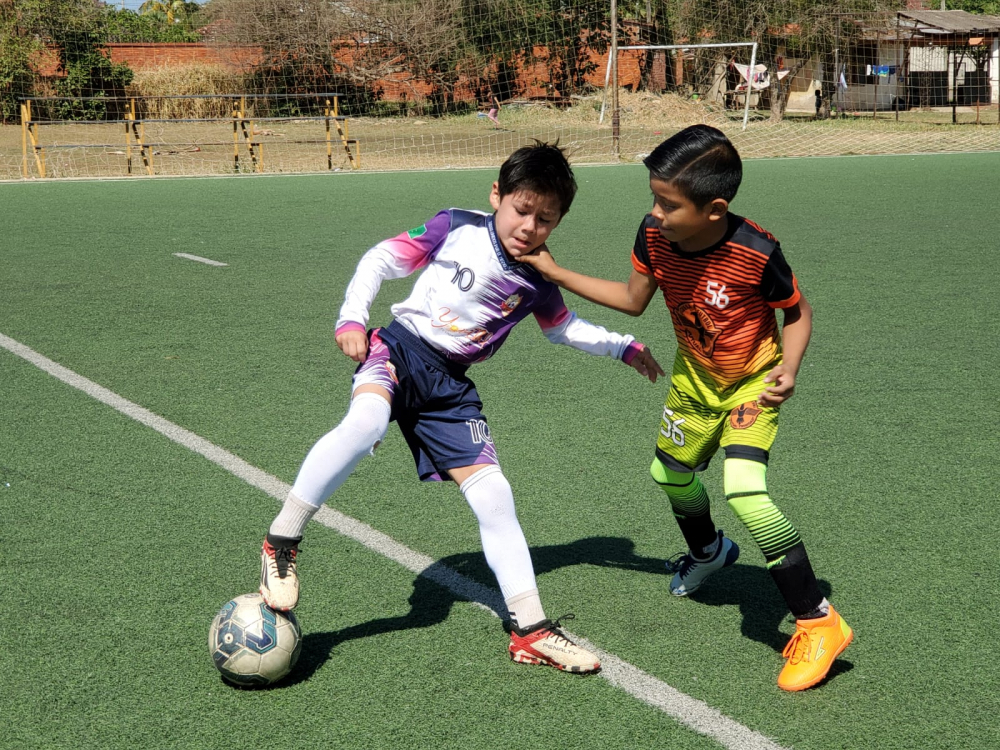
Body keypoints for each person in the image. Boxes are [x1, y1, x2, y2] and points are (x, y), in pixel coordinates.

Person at [259, 141, 664, 674]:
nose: (529, 227)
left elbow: (563, 329)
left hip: (450, 386)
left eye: (546, 220)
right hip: (398, 349)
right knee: (365, 423)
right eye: (522, 210)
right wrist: (351, 319)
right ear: (497, 195)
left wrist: (623, 347)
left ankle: (530, 629)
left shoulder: (539, 280)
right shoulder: (456, 226)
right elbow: (381, 258)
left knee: (494, 493)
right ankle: (281, 540)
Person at [516, 125, 852, 692]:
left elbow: (798, 314)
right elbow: (633, 299)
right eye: (654, 198)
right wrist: (554, 272)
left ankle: (818, 620)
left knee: (745, 489)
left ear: (715, 209)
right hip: (693, 383)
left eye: (668, 204)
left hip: (751, 386)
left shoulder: (757, 251)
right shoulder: (653, 236)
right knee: (668, 474)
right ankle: (710, 551)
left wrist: (788, 370)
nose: (656, 212)